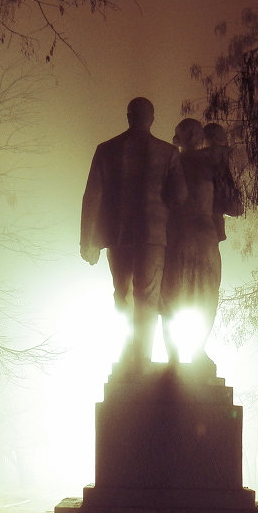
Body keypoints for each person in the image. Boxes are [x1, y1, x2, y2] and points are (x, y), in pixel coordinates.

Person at [80, 97, 186, 366]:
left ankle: (130, 354)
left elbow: (92, 195)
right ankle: (140, 357)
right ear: (151, 119)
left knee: (123, 293)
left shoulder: (107, 150)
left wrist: (87, 240)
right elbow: (180, 197)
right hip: (152, 235)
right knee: (146, 296)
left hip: (118, 234)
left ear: (128, 116)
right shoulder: (168, 153)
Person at [161, 118, 242, 365]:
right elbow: (235, 206)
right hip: (201, 235)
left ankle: (175, 355)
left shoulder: (167, 162)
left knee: (172, 293)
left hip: (176, 236)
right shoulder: (211, 163)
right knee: (205, 295)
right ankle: (196, 352)